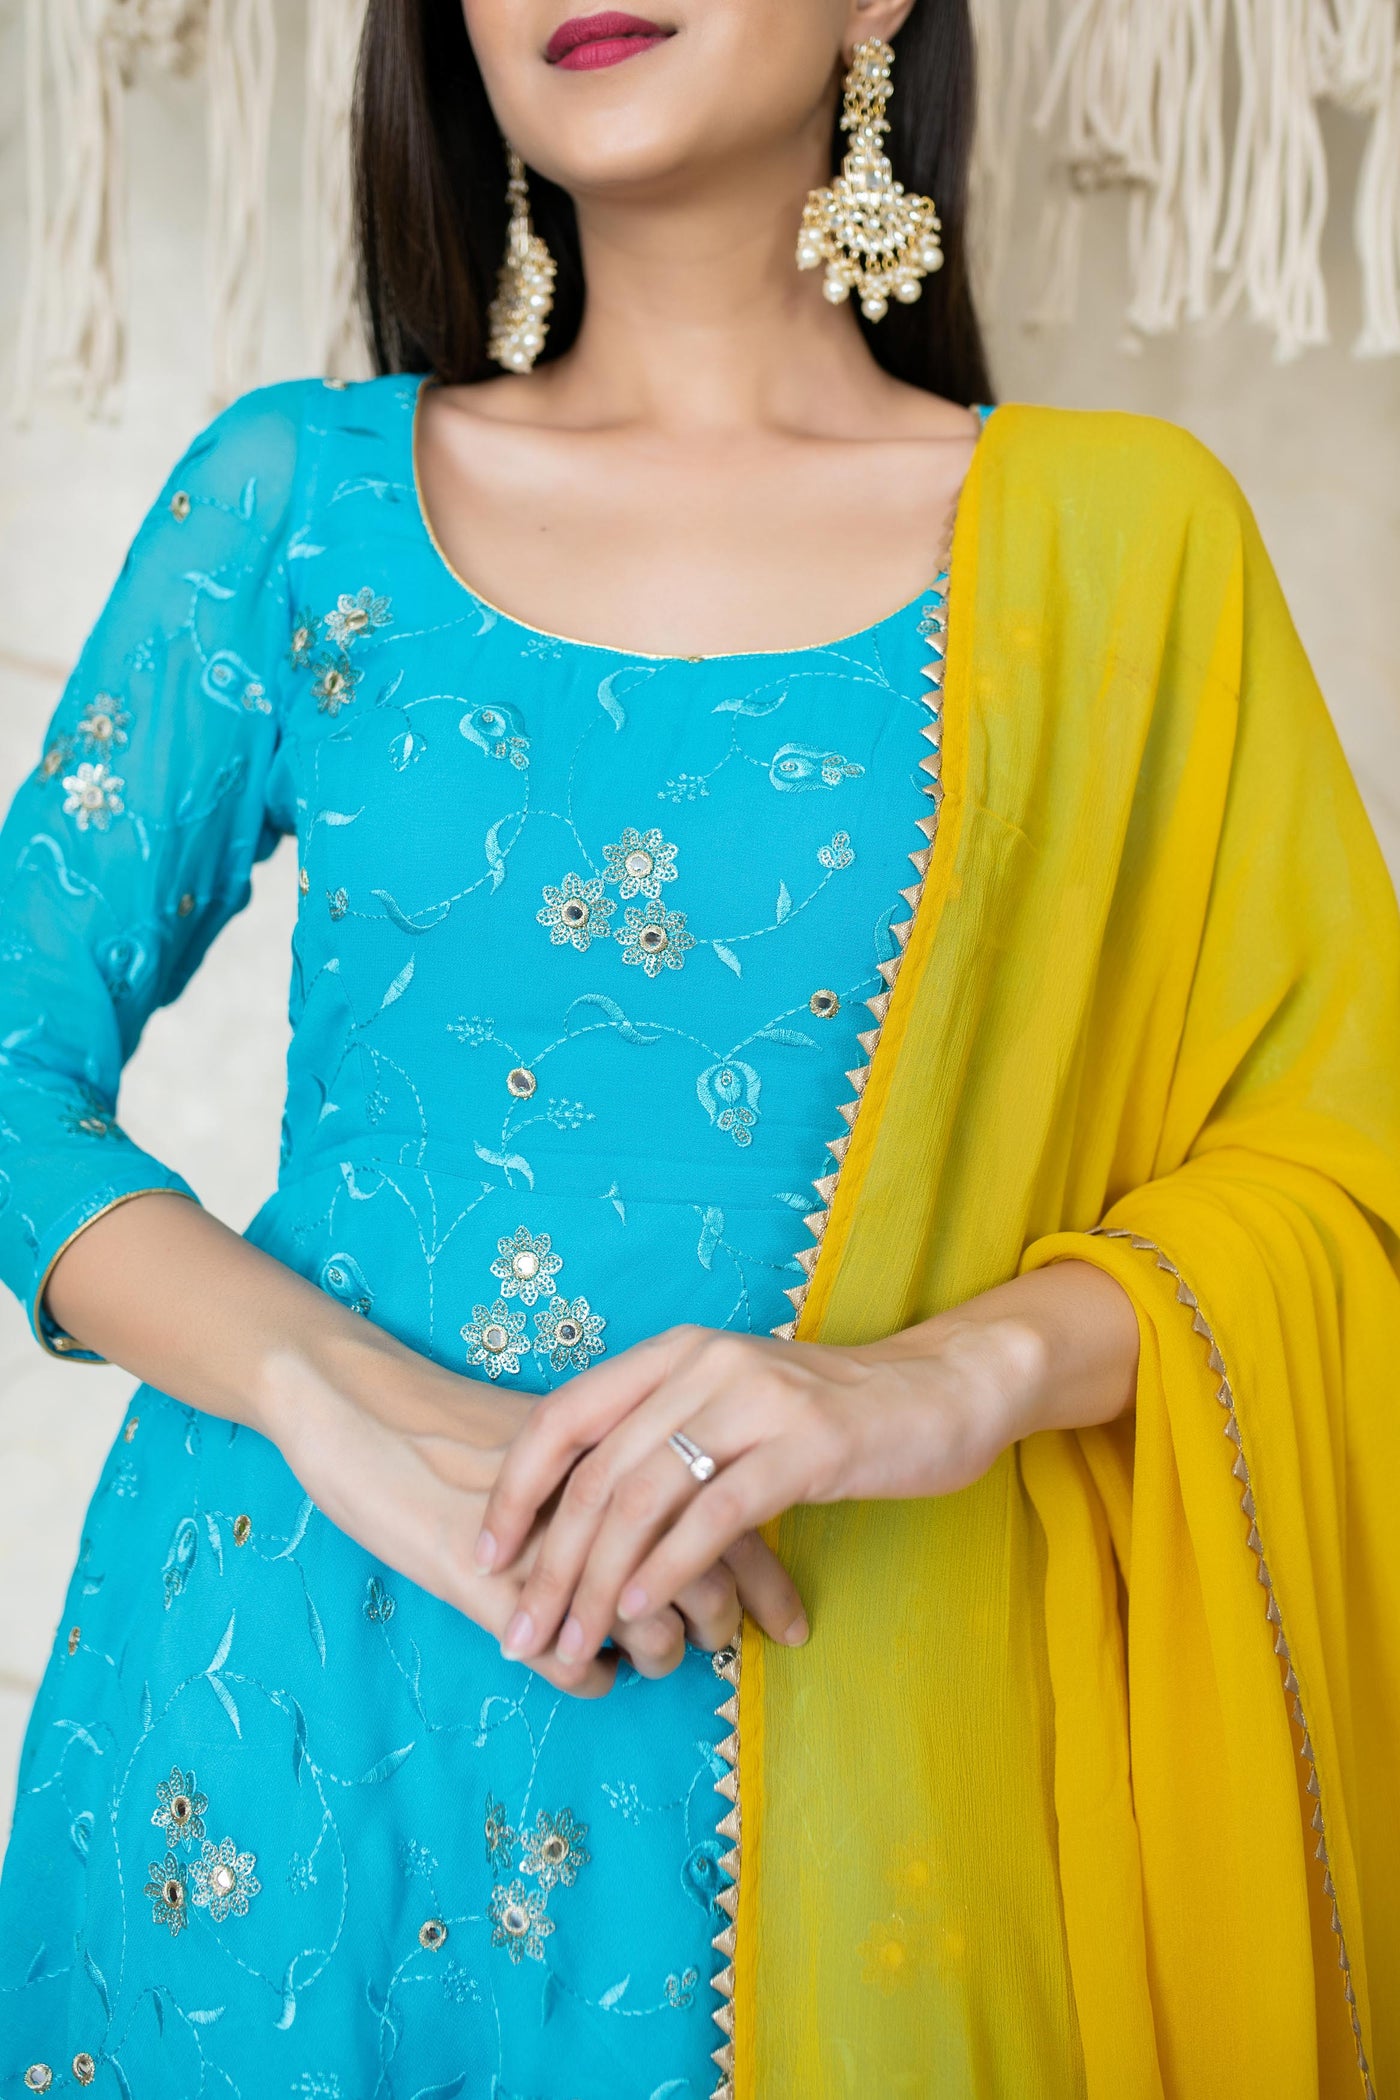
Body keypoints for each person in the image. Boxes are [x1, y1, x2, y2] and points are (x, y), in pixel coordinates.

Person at [1, 1, 1396, 2095]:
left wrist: (937, 1380)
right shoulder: (298, 503)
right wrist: (328, 1392)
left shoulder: (1122, 546)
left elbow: (1341, 1178)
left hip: (881, 1758)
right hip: (280, 1738)